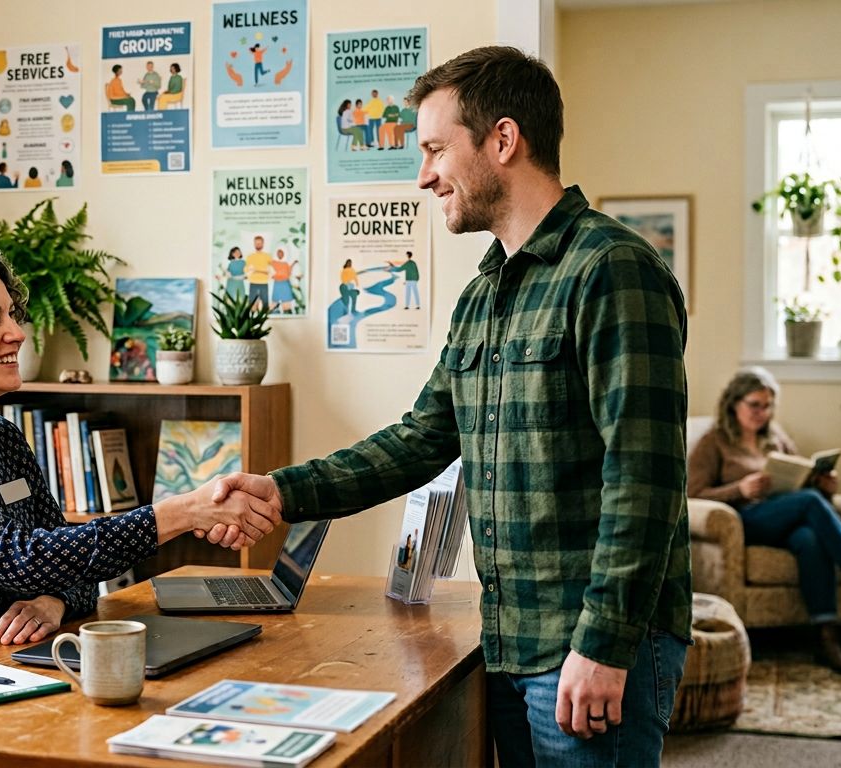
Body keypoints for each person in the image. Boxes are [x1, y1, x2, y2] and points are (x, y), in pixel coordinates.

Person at [204, 46, 692, 767]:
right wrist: (283, 491)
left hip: (591, 643)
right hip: (510, 641)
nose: (424, 173)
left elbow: (644, 477)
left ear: (502, 140)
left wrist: (604, 643)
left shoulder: (613, 270)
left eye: (435, 148)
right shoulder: (483, 295)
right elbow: (419, 439)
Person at [0, 244, 279, 690]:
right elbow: (19, 557)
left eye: (12, 315)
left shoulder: (2, 438)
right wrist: (183, 512)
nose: (16, 332)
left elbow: (66, 565)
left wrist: (52, 601)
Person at [688, 366, 841, 674]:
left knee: (809, 539)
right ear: (734, 403)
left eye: (768, 405)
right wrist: (740, 489)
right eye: (754, 405)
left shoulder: (776, 438)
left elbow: (799, 482)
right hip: (746, 520)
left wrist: (824, 486)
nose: (762, 412)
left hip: (786, 517)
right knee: (809, 502)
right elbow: (692, 494)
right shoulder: (713, 441)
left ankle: (826, 638)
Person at [244, 236, 273, 310]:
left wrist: (256, 270)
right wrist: (261, 270)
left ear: (263, 244)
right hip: (253, 283)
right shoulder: (250, 257)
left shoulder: (268, 256)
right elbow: (246, 270)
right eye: (256, 243)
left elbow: (270, 271)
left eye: (259, 243)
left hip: (264, 283)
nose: (258, 245)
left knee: (265, 305)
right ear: (254, 244)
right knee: (252, 305)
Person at [270, 248, 298, 314]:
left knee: (287, 301)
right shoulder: (273, 262)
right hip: (277, 283)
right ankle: (275, 313)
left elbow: (289, 272)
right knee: (275, 301)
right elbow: (270, 271)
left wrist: (294, 263)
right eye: (278, 253)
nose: (280, 254)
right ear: (276, 254)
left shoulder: (285, 264)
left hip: (285, 283)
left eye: (281, 253)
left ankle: (287, 312)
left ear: (284, 254)